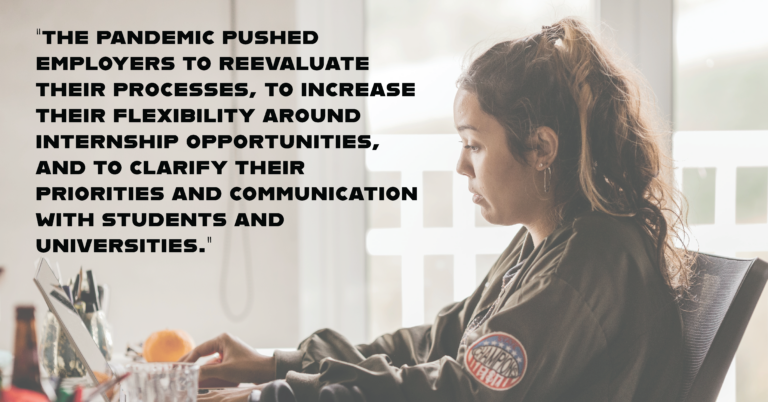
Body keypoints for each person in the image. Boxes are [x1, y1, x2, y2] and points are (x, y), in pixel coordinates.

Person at [181, 17, 694, 402]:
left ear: (541, 148)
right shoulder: (551, 241)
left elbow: (460, 391)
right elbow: (437, 343)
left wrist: (274, 395)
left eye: (474, 145)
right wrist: (277, 365)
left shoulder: (588, 263)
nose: (461, 167)